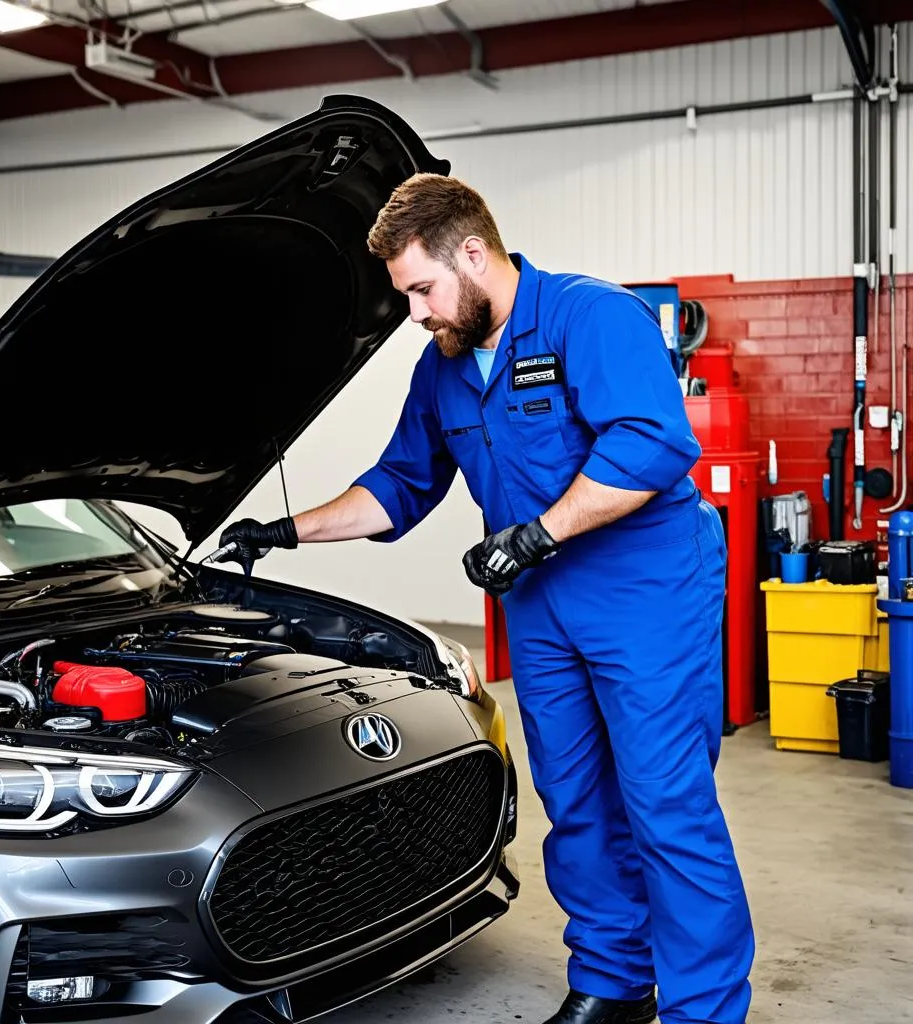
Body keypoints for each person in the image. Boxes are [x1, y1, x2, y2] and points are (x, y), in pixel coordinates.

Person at [216, 173, 755, 1024]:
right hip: (540, 603)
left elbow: (652, 443)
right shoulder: (446, 368)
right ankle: (613, 985)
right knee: (574, 801)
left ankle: (702, 1010)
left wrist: (539, 532)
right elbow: (399, 484)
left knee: (666, 804)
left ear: (473, 254)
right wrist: (283, 530)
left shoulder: (591, 317)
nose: (417, 312)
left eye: (422, 289)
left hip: (645, 590)